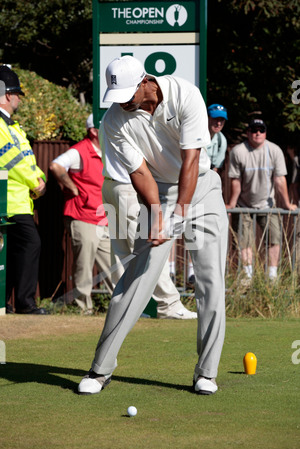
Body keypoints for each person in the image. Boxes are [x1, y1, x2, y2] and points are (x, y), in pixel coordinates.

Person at [78, 55, 228, 396]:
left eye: (128, 94)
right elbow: (139, 173)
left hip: (202, 189)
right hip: (157, 190)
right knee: (136, 280)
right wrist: (158, 214)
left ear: (146, 82)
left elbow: (191, 160)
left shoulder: (186, 95)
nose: (122, 103)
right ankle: (100, 370)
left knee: (210, 281)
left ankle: (206, 372)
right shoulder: (113, 121)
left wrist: (178, 214)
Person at [100, 154, 197, 320]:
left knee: (122, 252)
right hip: (128, 187)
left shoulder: (107, 126)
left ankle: (122, 306)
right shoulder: (129, 127)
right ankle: (169, 305)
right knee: (149, 253)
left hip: (111, 184)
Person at [50, 114, 113, 314]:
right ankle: (82, 308)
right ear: (94, 131)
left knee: (115, 265)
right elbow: (55, 165)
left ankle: (121, 307)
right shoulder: (80, 150)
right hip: (82, 216)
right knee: (84, 265)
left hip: (102, 218)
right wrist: (72, 187)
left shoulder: (107, 151)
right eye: (103, 128)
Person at [0, 65, 48, 315]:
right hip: (8, 200)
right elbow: (10, 159)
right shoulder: (1, 125)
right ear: (8, 95)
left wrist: (38, 178)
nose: (19, 98)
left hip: (18, 200)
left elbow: (27, 158)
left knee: (12, 250)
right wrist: (35, 182)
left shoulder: (11, 126)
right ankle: (25, 303)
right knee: (30, 244)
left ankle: (6, 302)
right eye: (17, 93)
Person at [226, 118, 297, 281]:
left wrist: (286, 203)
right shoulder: (238, 151)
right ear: (248, 132)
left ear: (265, 132)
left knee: (275, 238)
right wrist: (231, 203)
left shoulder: (274, 150)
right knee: (245, 241)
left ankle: (272, 276)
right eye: (254, 130)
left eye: (261, 130)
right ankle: (247, 277)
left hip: (267, 205)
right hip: (243, 205)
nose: (257, 133)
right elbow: (235, 180)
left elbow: (280, 180)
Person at [206, 104, 228, 172]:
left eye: (222, 120)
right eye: (215, 119)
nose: (218, 123)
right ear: (207, 117)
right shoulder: (196, 135)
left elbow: (216, 168)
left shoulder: (222, 140)